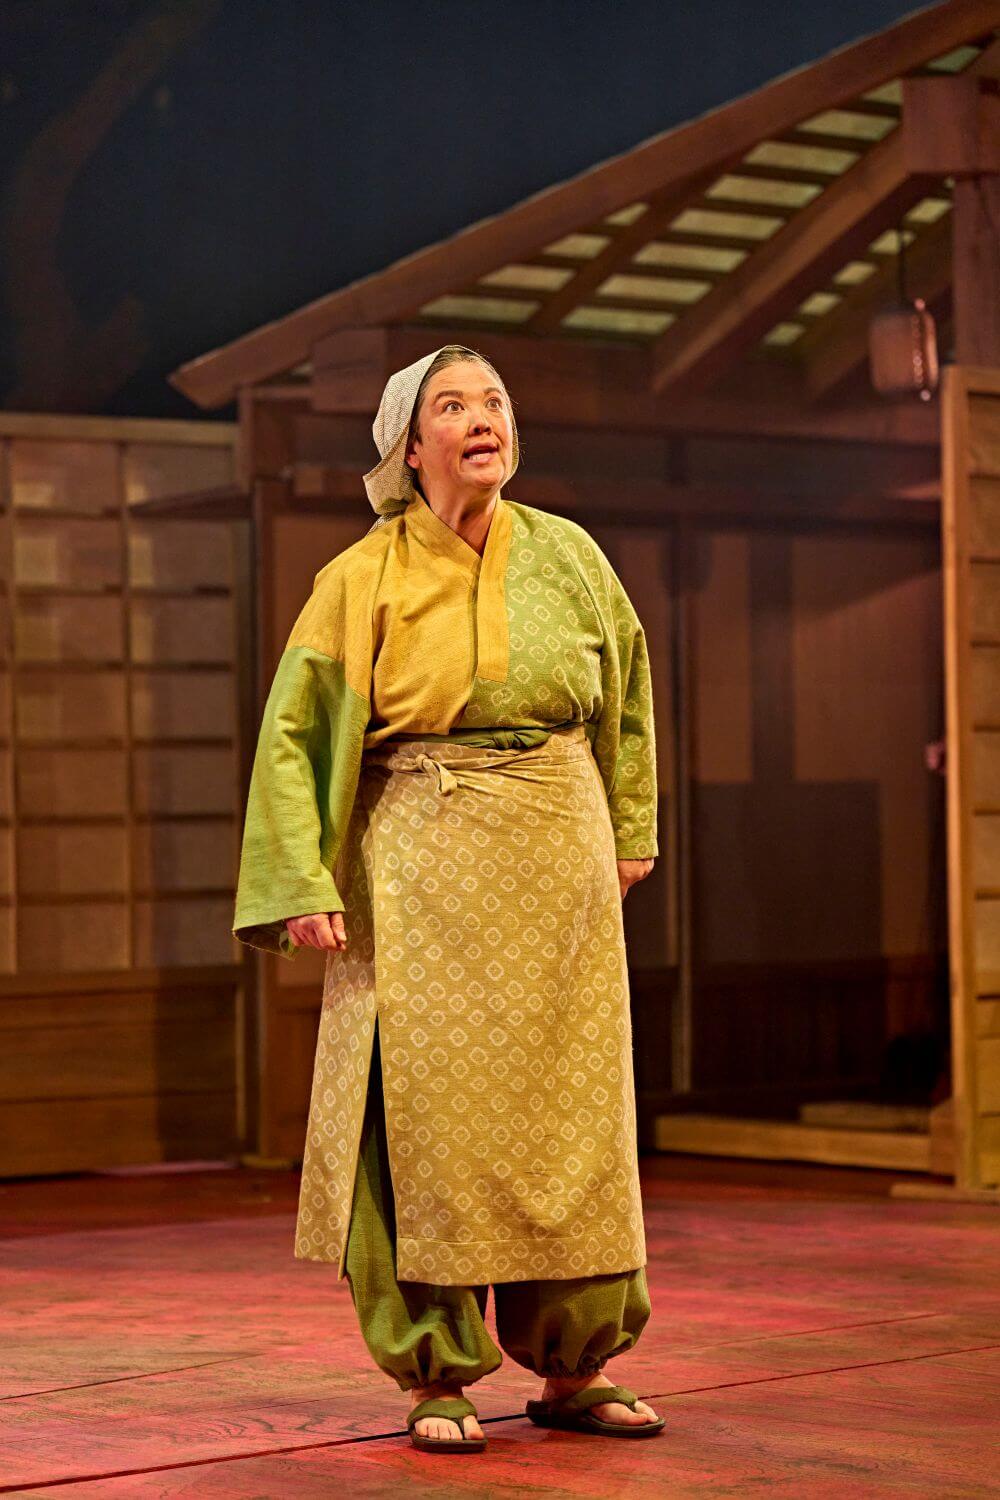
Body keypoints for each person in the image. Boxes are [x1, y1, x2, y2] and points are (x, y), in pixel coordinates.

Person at [232, 344, 664, 1452]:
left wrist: (629, 828)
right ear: (407, 446)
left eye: (495, 402)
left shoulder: (569, 555)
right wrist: (302, 877)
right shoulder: (359, 576)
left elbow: (627, 698)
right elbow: (293, 736)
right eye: (453, 405)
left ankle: (577, 1363)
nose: (482, 419)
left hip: (559, 865)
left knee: (572, 1113)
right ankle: (435, 1370)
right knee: (417, 1117)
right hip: (419, 872)